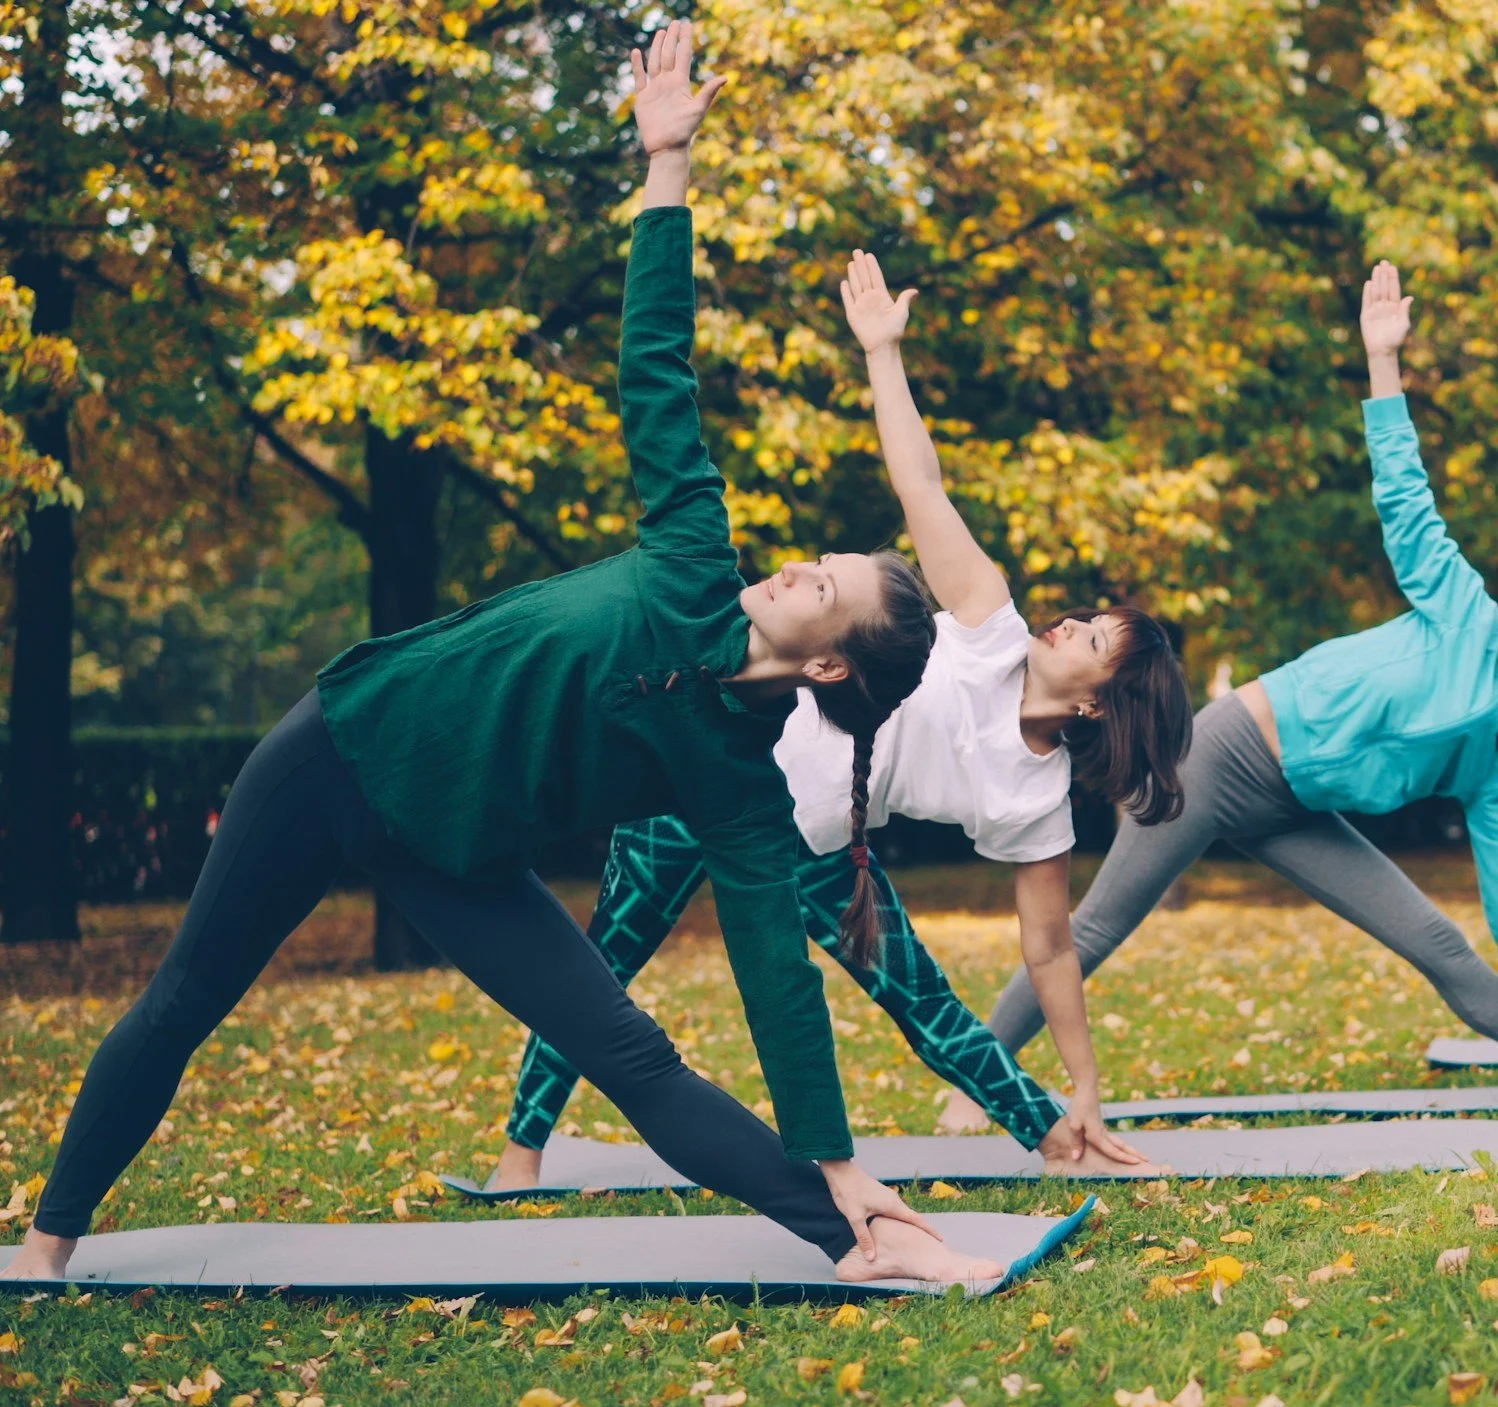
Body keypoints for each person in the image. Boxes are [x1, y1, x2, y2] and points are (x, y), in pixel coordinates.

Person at [2, 22, 1002, 1285]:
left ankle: (857, 1237)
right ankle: (46, 1247)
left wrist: (842, 1161)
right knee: (186, 1000)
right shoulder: (697, 541)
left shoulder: (737, 785)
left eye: (827, 586)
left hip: (450, 851)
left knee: (632, 1058)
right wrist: (665, 166)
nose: (800, 565)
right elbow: (657, 364)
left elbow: (776, 982)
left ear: (827, 669)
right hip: (341, 752)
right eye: (821, 556)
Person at [488, 251, 1191, 1188]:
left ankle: (1061, 1137)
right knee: (605, 958)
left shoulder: (1036, 799)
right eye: (1088, 613)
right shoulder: (990, 622)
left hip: (821, 842)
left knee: (925, 1003)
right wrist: (882, 356)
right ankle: (520, 1153)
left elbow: (1051, 946)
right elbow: (922, 489)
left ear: (1100, 699)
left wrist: (1086, 1085)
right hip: (703, 767)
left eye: (1094, 636)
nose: (1072, 619)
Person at [952, 261, 1498, 1124]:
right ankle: (978, 1080)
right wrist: (1383, 362)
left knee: (1436, 940)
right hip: (1222, 755)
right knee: (1098, 927)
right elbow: (1408, 502)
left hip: (1294, 807)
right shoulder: (1464, 609)